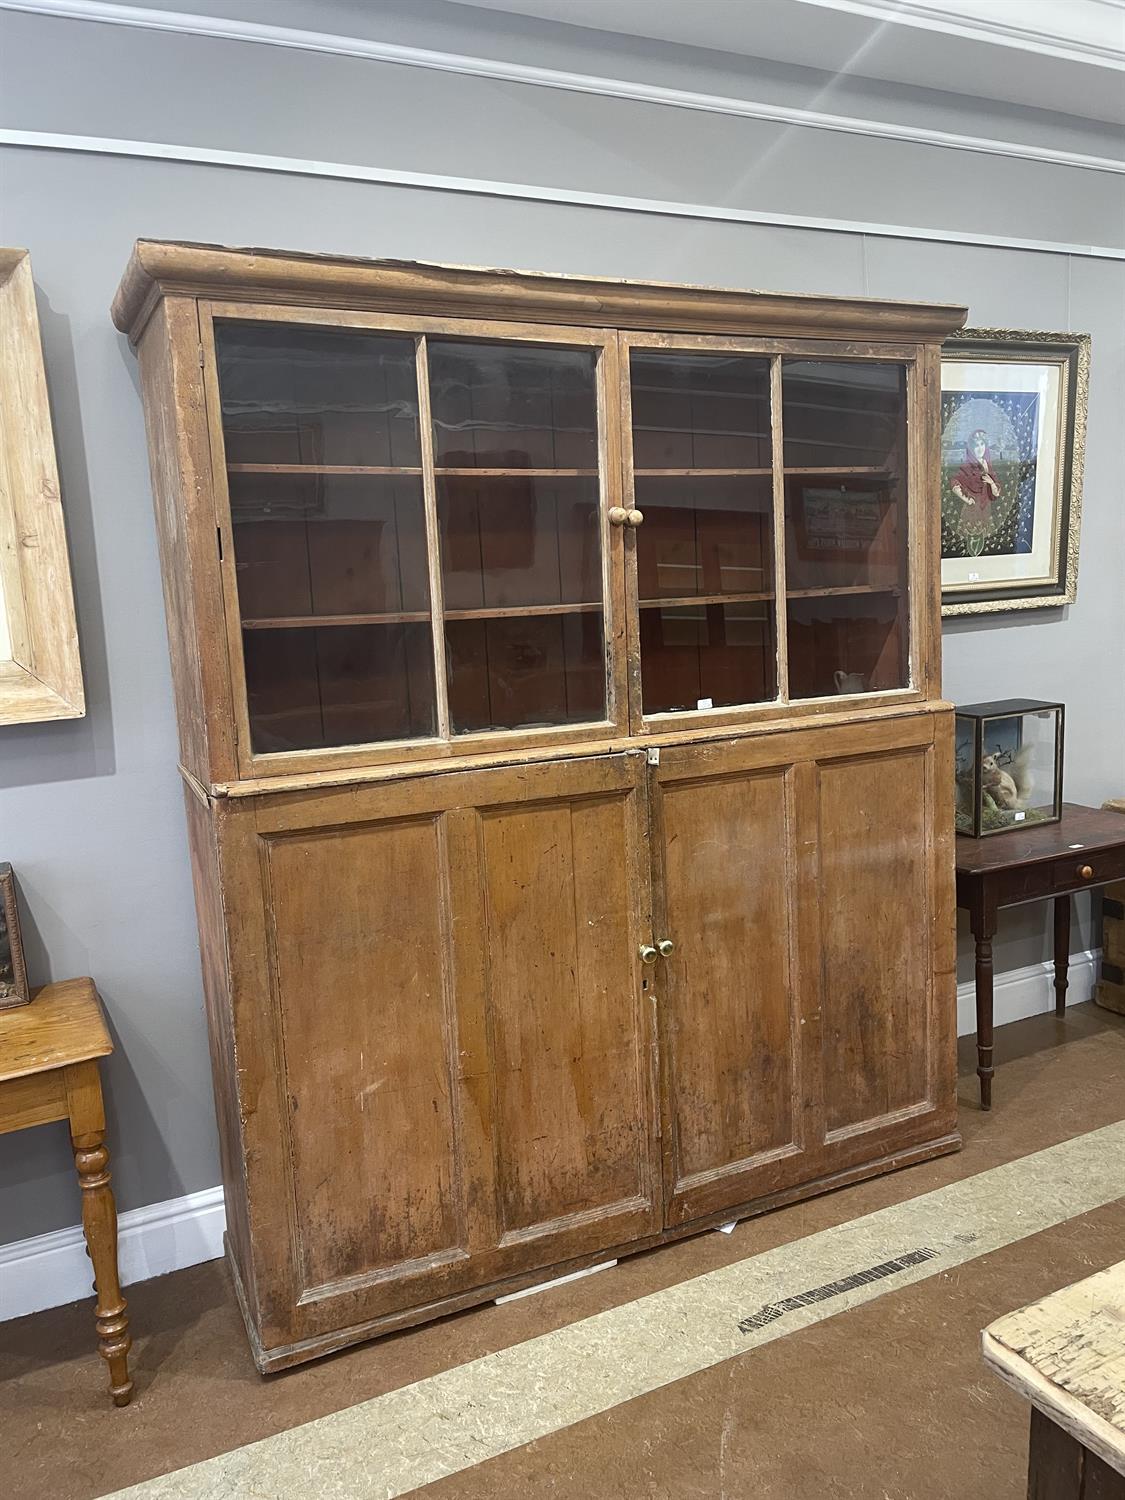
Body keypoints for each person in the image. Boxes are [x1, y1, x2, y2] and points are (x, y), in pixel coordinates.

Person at [951, 430, 1001, 552]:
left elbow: (996, 493)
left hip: (985, 507)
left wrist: (992, 483)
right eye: (976, 445)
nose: (980, 448)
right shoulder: (968, 466)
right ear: (972, 448)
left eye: (982, 444)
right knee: (970, 539)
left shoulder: (987, 465)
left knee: (984, 539)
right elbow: (954, 482)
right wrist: (966, 499)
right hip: (972, 508)